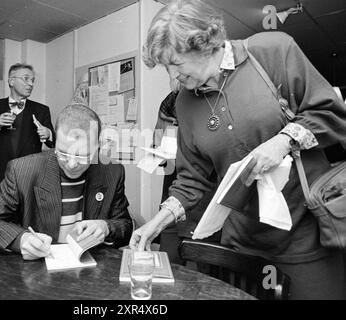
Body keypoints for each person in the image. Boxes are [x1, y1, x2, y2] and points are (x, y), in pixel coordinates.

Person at [130, 0, 346, 299]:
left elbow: (330, 113)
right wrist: (158, 221)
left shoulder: (272, 51)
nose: (172, 74)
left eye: (175, 63)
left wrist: (282, 141)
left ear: (204, 44)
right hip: (240, 244)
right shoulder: (183, 103)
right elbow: (192, 178)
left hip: (306, 237)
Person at [0, 104, 133, 260]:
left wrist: (106, 227)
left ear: (98, 147)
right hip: (39, 271)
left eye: (82, 156)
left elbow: (125, 225)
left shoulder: (112, 171)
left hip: (91, 269)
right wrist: (21, 239)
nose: (72, 164)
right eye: (63, 153)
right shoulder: (23, 170)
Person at [154, 88, 219, 264]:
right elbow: (157, 146)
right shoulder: (169, 102)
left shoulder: (214, 108)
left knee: (201, 276)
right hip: (171, 206)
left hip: (205, 210)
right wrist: (162, 152)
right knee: (167, 268)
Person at [0, 63, 55, 199]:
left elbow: (53, 142)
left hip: (29, 175)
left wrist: (48, 134)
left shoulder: (42, 110)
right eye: (26, 79)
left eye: (32, 80)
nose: (30, 84)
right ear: (11, 81)